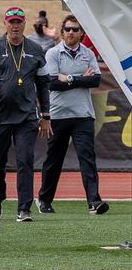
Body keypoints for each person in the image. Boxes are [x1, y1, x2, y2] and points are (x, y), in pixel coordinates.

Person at [0, 6, 51, 222]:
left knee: (25, 160)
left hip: (26, 116)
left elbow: (43, 84)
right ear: (5, 24)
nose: (15, 26)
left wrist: (46, 115)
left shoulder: (35, 49)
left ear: (24, 24)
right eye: (11, 22)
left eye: (19, 22)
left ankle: (24, 208)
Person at [36, 16, 109, 216]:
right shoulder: (53, 53)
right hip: (58, 115)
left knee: (87, 158)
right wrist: (78, 79)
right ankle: (44, 199)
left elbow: (95, 80)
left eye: (75, 29)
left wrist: (67, 78)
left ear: (81, 33)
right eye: (67, 29)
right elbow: (52, 82)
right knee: (54, 159)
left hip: (83, 114)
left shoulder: (88, 54)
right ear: (62, 31)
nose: (71, 32)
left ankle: (94, 202)